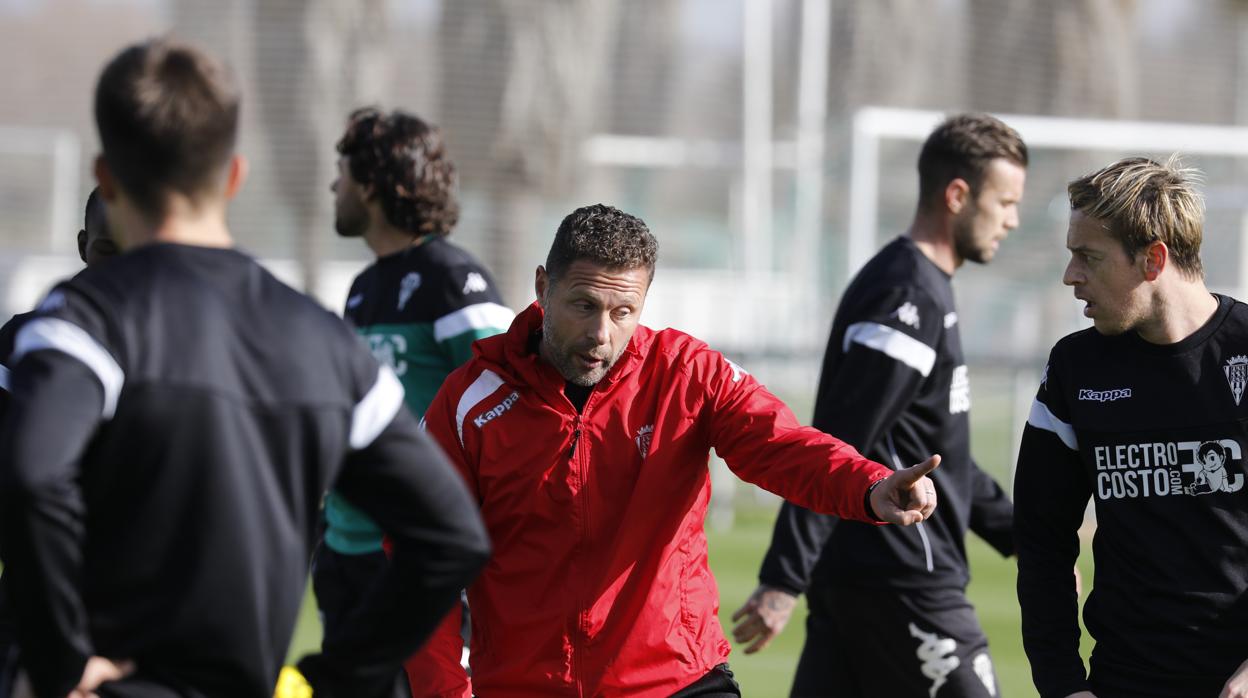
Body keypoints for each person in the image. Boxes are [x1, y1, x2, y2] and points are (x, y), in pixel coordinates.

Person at [0, 38, 490, 698]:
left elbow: (33, 475)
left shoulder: (80, 323)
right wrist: (341, 674)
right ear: (233, 175)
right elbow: (451, 534)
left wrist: (59, 656)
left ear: (106, 176)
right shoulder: (320, 339)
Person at [413, 202, 942, 697]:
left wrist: (867, 484)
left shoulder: (685, 373)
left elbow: (779, 443)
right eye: (584, 305)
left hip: (677, 678)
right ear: (542, 287)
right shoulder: (469, 402)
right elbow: (421, 556)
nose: (602, 332)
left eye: (624, 311)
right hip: (526, 685)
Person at [731, 113, 1025, 698]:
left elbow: (944, 455)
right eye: (1005, 202)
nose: (1013, 220)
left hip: (866, 578)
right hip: (902, 578)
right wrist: (782, 579)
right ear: (958, 195)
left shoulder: (925, 287)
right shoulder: (907, 294)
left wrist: (1026, 540)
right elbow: (840, 438)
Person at [1014, 156, 1248, 698]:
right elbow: (1043, 540)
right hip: (1123, 682)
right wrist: (1062, 685)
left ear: (1153, 259)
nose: (1071, 276)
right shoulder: (1076, 368)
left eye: (1088, 257)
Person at [312, 106, 512, 697]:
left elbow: (512, 406)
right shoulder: (363, 289)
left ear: (372, 184)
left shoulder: (453, 280)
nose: (334, 186)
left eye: (342, 172)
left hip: (414, 560)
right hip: (346, 552)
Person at [0, 187, 118, 366]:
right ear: (83, 247)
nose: (125, 265)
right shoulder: (26, 337)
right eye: (108, 250)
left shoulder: (170, 339)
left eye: (141, 254)